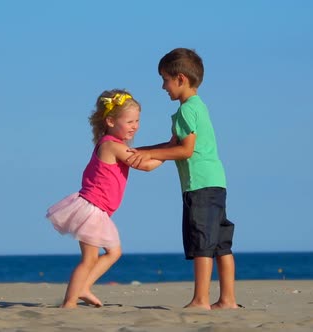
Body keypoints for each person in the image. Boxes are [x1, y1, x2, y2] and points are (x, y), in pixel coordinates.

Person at [127, 48, 239, 310]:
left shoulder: (187, 110)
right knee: (221, 243)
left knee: (202, 242)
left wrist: (154, 154)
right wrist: (141, 151)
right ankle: (228, 300)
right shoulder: (197, 107)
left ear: (180, 78)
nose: (162, 86)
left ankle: (201, 300)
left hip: (199, 185)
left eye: (165, 79)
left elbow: (185, 150)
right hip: (215, 183)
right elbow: (172, 144)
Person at [46, 89, 162, 309]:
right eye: (129, 121)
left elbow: (138, 154)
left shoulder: (111, 143)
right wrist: (172, 154)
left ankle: (82, 289)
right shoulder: (111, 145)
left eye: (137, 120)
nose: (135, 126)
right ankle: (70, 301)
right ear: (110, 121)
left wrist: (163, 149)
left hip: (94, 209)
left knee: (110, 253)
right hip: (92, 209)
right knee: (93, 258)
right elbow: (145, 164)